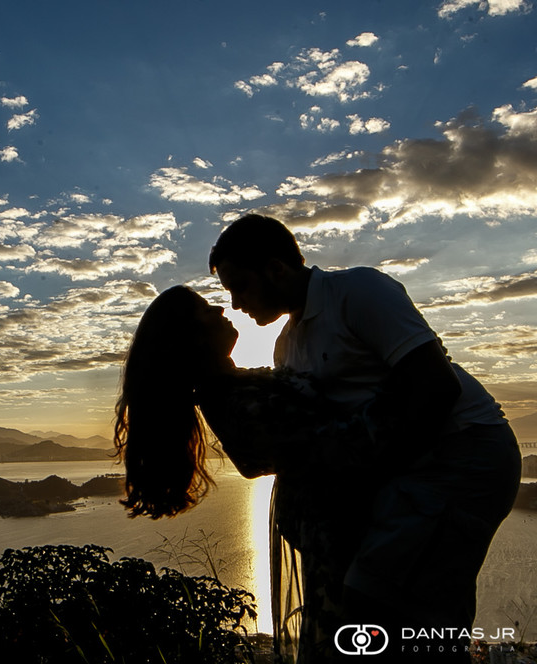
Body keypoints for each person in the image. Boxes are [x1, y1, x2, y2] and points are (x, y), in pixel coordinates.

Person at [209, 214, 521, 662]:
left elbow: (436, 386)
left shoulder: (358, 291)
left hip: (465, 452)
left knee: (374, 601)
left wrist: (364, 475)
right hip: (417, 463)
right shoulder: (287, 345)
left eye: (240, 285)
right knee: (422, 610)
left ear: (276, 268)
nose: (236, 303)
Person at [114, 285, 392, 662]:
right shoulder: (232, 403)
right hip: (346, 547)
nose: (219, 308)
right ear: (190, 339)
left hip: (353, 536)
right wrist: (409, 387)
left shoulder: (234, 385)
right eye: (203, 309)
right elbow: (341, 445)